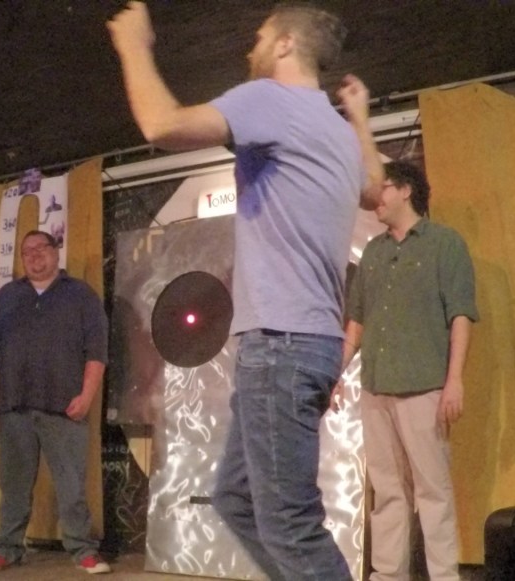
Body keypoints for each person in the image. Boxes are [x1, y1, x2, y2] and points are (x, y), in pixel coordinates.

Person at [108, 2, 383, 579]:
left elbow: (161, 125)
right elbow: (373, 189)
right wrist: (358, 117)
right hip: (309, 345)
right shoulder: (335, 130)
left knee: (288, 524)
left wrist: (134, 45)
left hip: (282, 345)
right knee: (237, 499)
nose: (249, 48)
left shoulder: (269, 100)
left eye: (259, 37)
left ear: (285, 44)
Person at [333, 161, 477, 581]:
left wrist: (454, 380)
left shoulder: (444, 243)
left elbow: (461, 315)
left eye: (383, 187)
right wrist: (335, 374)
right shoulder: (374, 252)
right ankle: (387, 576)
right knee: (388, 493)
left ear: (407, 190)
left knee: (432, 491)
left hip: (424, 387)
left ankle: (444, 577)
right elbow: (357, 322)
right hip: (376, 389)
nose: (375, 197)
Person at [0, 230, 111, 575]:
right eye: (27, 251)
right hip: (14, 408)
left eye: (41, 248)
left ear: (56, 252)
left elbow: (97, 351)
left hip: (65, 407)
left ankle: (83, 550)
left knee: (71, 486)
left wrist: (87, 396)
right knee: (13, 487)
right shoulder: (7, 297)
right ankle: (7, 549)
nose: (34, 255)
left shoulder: (81, 295)